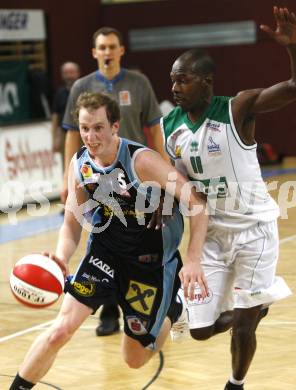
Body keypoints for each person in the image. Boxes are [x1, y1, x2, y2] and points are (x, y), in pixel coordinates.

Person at [9, 92, 208, 390]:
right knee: (60, 330)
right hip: (105, 254)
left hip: (149, 265)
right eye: (85, 128)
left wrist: (193, 259)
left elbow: (198, 204)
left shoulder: (142, 162)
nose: (90, 136)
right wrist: (61, 258)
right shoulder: (79, 165)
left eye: (98, 127)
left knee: (134, 359)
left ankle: (175, 307)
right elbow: (72, 224)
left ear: (115, 126)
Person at [161, 7, 296, 390]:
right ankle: (256, 306)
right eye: (172, 81)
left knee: (243, 325)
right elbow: (180, 180)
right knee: (199, 330)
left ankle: (236, 382)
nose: (175, 88)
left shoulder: (237, 108)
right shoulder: (169, 125)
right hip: (210, 233)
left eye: (184, 80)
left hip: (254, 230)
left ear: (207, 82)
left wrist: (294, 46)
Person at [62, 27, 167, 337]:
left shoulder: (139, 82)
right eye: (101, 48)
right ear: (94, 53)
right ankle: (107, 310)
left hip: (139, 175)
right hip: (97, 175)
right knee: (102, 234)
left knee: (143, 239)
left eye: (112, 47)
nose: (107, 52)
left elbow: (155, 127)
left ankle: (152, 302)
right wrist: (67, 180)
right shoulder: (82, 86)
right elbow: (71, 132)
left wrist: (163, 173)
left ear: (121, 50)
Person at [51, 62, 80, 159]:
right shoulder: (59, 93)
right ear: (62, 75)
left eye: (72, 72)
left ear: (78, 73)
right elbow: (55, 118)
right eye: (66, 73)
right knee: (68, 164)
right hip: (65, 134)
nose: (69, 76)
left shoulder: (85, 90)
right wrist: (55, 139)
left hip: (84, 133)